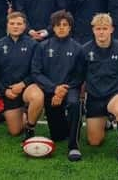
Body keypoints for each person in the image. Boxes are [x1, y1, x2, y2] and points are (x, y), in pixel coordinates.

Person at [31, 10, 84, 161]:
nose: (61, 28)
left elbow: (79, 75)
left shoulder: (78, 48)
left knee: (75, 104)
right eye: (57, 25)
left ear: (70, 27)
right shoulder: (42, 47)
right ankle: (67, 123)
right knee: (58, 135)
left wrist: (62, 90)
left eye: (65, 25)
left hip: (70, 89)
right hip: (50, 90)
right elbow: (36, 72)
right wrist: (54, 89)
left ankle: (74, 146)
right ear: (52, 27)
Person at [82, 14, 118, 162]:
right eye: (98, 29)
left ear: (111, 29)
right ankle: (106, 121)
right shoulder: (85, 50)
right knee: (94, 142)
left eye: (105, 28)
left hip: (114, 95)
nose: (101, 32)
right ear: (93, 30)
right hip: (94, 98)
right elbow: (80, 75)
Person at [0, 12, 43, 138]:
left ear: (25, 26)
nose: (15, 26)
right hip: (10, 92)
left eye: (19, 24)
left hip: (27, 87)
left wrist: (23, 84)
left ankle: (30, 128)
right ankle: (22, 113)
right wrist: (4, 90)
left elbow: (37, 70)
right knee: (15, 131)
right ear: (7, 25)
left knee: (37, 97)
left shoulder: (33, 45)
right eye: (12, 23)